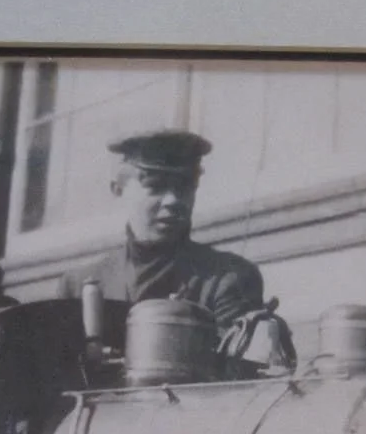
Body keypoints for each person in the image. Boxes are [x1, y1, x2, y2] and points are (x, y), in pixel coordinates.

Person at [58, 129, 265, 331]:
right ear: (119, 189)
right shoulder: (78, 287)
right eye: (156, 186)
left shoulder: (228, 279)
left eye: (184, 187)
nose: (173, 200)